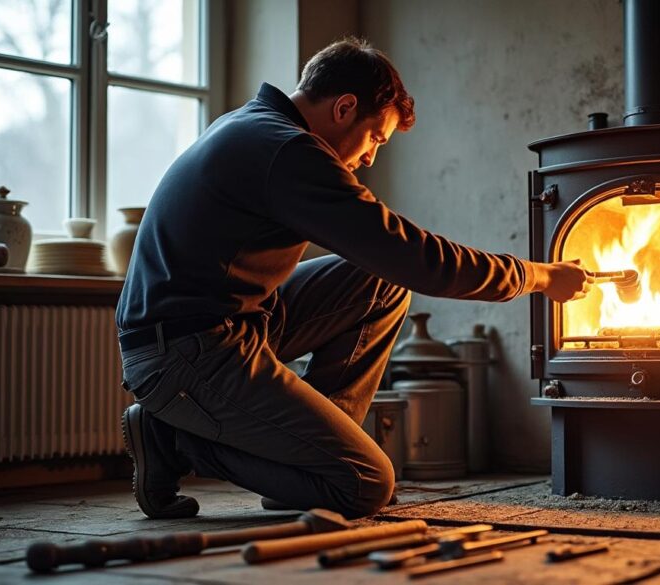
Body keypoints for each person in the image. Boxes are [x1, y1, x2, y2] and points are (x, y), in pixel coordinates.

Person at [115, 38, 591, 520]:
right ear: (344, 108)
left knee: (379, 283)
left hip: (222, 326)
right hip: (183, 352)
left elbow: (392, 266)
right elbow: (417, 257)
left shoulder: (257, 126)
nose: (369, 158)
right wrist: (540, 276)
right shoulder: (286, 150)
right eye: (376, 139)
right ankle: (171, 441)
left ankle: (311, 470)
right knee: (365, 485)